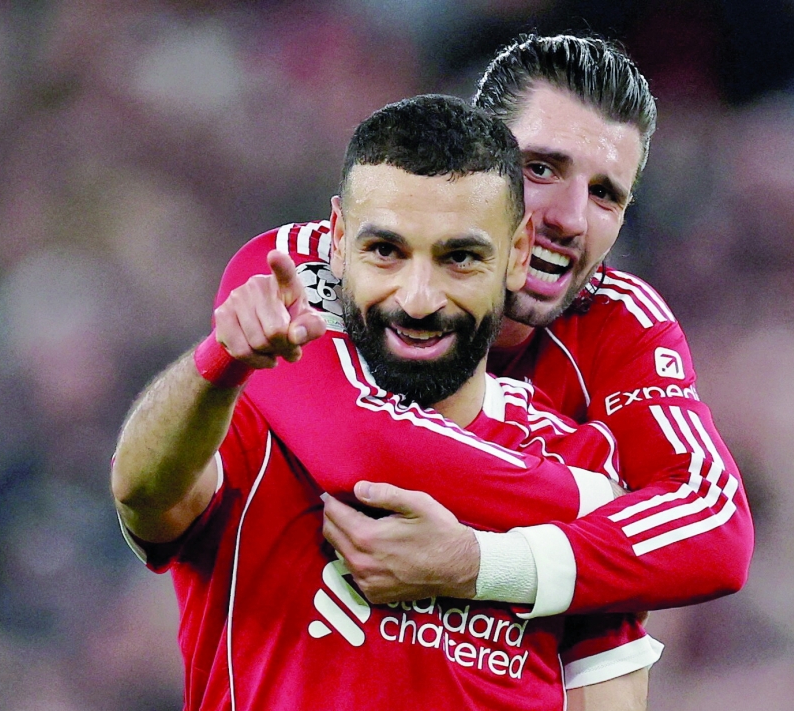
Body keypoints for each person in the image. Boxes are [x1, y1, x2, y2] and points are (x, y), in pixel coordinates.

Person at [218, 33, 754, 708]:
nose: (568, 218)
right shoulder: (309, 265)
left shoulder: (618, 324)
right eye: (541, 168)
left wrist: (483, 565)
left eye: (606, 195)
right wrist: (600, 499)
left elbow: (719, 531)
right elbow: (366, 448)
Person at [112, 95, 659, 711]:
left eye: (459, 258)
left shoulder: (577, 455)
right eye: (386, 251)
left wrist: (482, 561)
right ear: (339, 241)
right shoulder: (262, 417)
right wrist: (216, 364)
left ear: (519, 254)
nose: (419, 298)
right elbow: (144, 495)